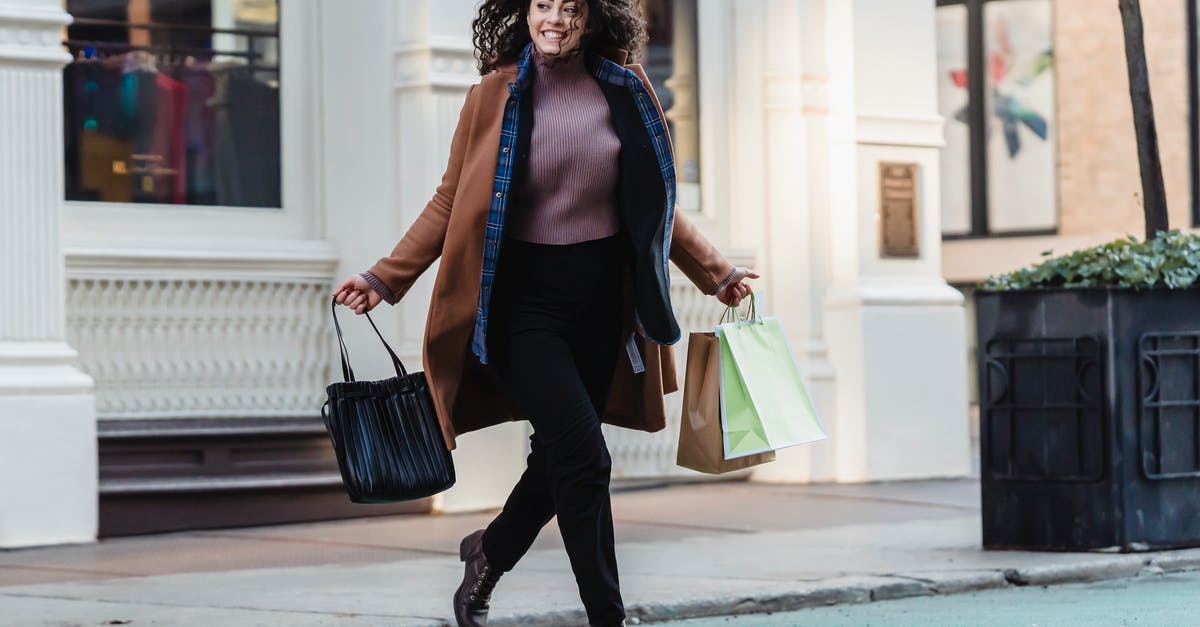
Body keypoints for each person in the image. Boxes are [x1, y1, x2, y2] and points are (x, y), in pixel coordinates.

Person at [333, 1, 758, 625]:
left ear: (594, 17)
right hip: (519, 303)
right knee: (586, 459)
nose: (555, 19)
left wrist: (716, 271)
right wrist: (385, 276)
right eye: (543, 5)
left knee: (559, 457)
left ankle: (487, 554)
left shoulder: (627, 85)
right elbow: (451, 197)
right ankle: (606, 617)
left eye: (571, 7)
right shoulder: (492, 95)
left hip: (599, 304)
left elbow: (655, 200)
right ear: (523, 12)